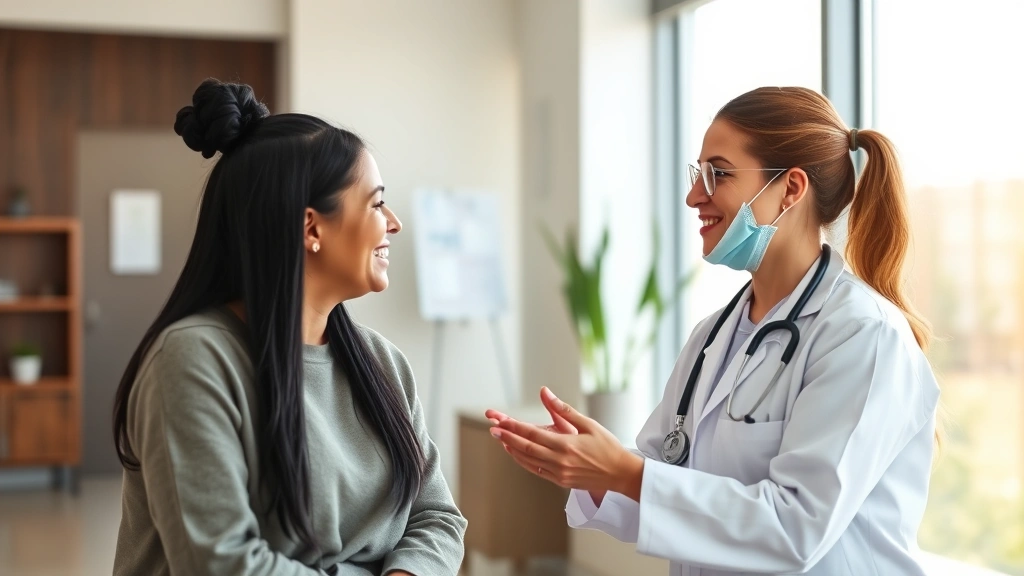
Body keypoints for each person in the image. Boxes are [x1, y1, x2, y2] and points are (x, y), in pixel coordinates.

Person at [486, 86, 940, 575]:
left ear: (790, 188)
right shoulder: (713, 337)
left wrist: (624, 472)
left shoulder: (863, 335)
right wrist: (593, 469)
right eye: (697, 173)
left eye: (717, 174)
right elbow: (663, 483)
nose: (693, 196)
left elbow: (797, 528)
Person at [112, 78, 466, 576]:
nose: (394, 222)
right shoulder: (192, 362)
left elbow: (437, 516)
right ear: (312, 228)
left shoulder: (383, 363)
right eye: (376, 202)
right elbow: (222, 564)